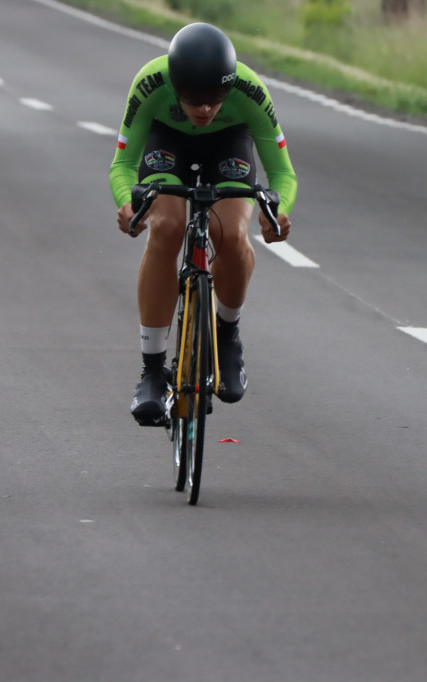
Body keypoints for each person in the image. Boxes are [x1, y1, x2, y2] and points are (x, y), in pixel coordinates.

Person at [110, 22, 298, 426]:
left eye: (215, 97)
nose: (206, 108)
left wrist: (278, 212)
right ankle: (153, 370)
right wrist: (128, 205)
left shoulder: (249, 90)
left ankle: (226, 335)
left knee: (229, 232)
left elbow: (283, 174)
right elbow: (123, 165)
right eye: (194, 98)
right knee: (166, 228)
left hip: (229, 142)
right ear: (175, 85)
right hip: (168, 141)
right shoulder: (150, 83)